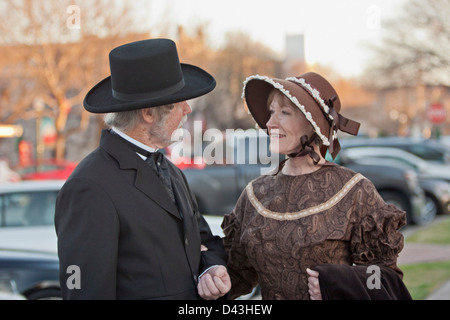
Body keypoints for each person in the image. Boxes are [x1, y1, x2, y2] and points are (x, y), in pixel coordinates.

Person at [55, 39, 231, 300]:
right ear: (149, 114)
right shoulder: (89, 186)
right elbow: (85, 292)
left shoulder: (170, 171)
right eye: (180, 102)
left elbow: (203, 240)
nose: (187, 109)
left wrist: (211, 268)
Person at [221, 72, 410, 300]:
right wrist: (209, 275)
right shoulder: (254, 193)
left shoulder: (355, 190)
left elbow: (384, 279)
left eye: (284, 112)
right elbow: (236, 275)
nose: (270, 123)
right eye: (271, 112)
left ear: (313, 125)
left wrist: (337, 286)